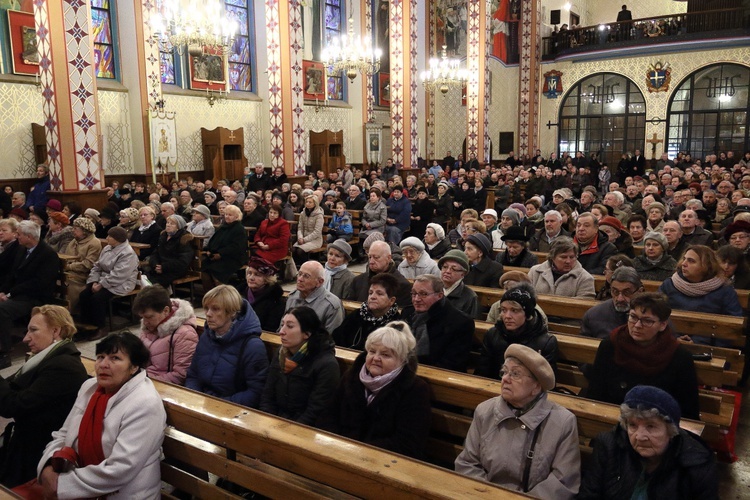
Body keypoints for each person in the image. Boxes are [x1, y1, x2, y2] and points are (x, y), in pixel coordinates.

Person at [37, 332, 166, 499]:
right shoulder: (90, 388)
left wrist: (62, 484)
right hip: (80, 484)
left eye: (115, 358)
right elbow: (63, 434)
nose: (103, 364)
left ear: (134, 367)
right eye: (100, 357)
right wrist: (48, 466)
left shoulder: (145, 403)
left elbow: (121, 468)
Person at [455, 344, 580, 498]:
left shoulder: (563, 422)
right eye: (504, 372)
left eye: (515, 374)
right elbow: (467, 463)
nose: (505, 379)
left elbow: (563, 481)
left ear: (536, 387)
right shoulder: (484, 411)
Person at [0, 306, 87, 488]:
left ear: (56, 331)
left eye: (33, 330)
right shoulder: (44, 358)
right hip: (25, 444)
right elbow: (10, 388)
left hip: (40, 455)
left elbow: (12, 405)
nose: (25, 338)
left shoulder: (64, 366)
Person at [579, 386, 718, 499]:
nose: (640, 437)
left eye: (651, 426)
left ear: (670, 431)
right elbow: (589, 494)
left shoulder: (697, 464)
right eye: (632, 425)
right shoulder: (609, 445)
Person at [317, 322, 432, 459]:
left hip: (382, 461)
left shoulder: (415, 390)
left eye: (385, 355)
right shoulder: (351, 377)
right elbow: (328, 415)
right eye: (372, 351)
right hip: (339, 452)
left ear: (402, 360)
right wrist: (336, 445)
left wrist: (359, 452)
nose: (375, 358)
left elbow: (407, 443)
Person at [586, 292, 700, 420]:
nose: (637, 325)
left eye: (647, 321)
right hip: (612, 418)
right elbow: (595, 393)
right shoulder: (611, 345)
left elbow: (688, 412)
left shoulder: (679, 357)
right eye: (633, 317)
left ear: (662, 325)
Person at [186, 285, 269, 407]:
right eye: (206, 308)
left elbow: (256, 392)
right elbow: (193, 375)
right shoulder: (207, 336)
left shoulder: (252, 346)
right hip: (202, 404)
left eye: (215, 309)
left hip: (233, 409)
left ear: (232, 312)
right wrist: (195, 398)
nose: (208, 314)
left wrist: (218, 405)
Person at [261, 306, 340, 425]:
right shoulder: (281, 353)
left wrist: (289, 430)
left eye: (290, 326)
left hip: (304, 428)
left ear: (307, 334)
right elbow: (267, 394)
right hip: (276, 421)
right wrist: (268, 421)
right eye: (282, 325)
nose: (281, 331)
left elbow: (316, 410)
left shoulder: (326, 364)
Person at [658, 246, 742, 345]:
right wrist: (674, 338)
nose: (684, 264)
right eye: (684, 259)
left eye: (691, 261)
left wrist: (699, 342)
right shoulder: (669, 284)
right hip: (671, 342)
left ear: (706, 266)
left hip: (709, 346)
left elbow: (732, 325)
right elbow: (655, 313)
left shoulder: (724, 290)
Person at [475, 284, 558, 380]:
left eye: (514, 310)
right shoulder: (493, 334)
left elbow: (547, 381)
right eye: (503, 310)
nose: (507, 316)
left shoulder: (545, 342)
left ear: (527, 314)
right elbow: (482, 373)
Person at [402, 274, 475, 372]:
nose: (416, 299)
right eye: (414, 293)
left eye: (423, 294)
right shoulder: (407, 313)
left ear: (439, 295)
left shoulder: (461, 322)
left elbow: (452, 363)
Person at [78, 226, 139, 338]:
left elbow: (119, 274)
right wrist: (94, 281)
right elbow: (97, 266)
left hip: (121, 282)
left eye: (110, 236)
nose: (107, 238)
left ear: (117, 239)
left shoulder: (128, 253)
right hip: (103, 279)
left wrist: (101, 285)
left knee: (97, 298)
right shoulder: (107, 248)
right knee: (84, 294)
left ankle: (100, 327)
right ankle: (86, 326)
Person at [134, 285, 198, 385]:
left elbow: (181, 375)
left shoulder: (185, 334)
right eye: (143, 317)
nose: (145, 322)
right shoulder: (149, 326)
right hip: (143, 379)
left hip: (162, 386)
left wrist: (143, 382)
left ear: (166, 311)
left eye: (149, 317)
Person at [333, 273, 401, 351]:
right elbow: (336, 339)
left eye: (379, 294)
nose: (372, 297)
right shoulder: (356, 315)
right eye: (370, 293)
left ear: (391, 301)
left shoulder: (396, 324)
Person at [581, 267, 644, 339]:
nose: (620, 299)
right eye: (615, 292)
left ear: (640, 291)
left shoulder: (651, 316)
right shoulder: (593, 315)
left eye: (627, 292)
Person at [346, 240, 412, 308]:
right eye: (370, 257)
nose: (371, 261)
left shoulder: (402, 285)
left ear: (388, 258)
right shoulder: (358, 281)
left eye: (376, 257)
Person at [286, 261, 344, 333]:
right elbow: (283, 327)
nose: (300, 279)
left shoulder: (331, 305)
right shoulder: (293, 296)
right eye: (299, 274)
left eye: (306, 276)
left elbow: (330, 339)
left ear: (319, 282)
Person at [528, 236, 595, 298]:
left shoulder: (585, 278)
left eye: (572, 257)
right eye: (563, 257)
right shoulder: (535, 272)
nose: (568, 261)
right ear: (552, 257)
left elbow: (582, 307)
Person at [62, 217, 102, 313]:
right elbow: (66, 256)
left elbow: (88, 265)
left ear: (84, 231)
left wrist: (68, 266)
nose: (73, 230)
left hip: (82, 276)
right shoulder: (74, 241)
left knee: (67, 284)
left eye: (76, 229)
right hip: (68, 271)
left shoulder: (94, 243)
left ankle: (68, 312)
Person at [202, 205, 247, 291]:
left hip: (232, 257)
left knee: (216, 271)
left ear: (236, 216)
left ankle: (221, 293)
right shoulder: (223, 227)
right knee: (204, 268)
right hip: (216, 255)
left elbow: (236, 247)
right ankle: (209, 293)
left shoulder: (239, 229)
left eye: (230, 215)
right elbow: (213, 241)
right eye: (226, 214)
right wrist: (208, 250)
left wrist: (221, 254)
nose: (227, 216)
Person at [146, 214, 194, 288]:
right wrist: (155, 265)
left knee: (152, 284)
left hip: (174, 270)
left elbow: (183, 261)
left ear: (179, 226)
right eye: (167, 223)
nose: (168, 225)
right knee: (143, 279)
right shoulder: (163, 236)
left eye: (172, 224)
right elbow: (155, 254)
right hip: (159, 268)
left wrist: (164, 267)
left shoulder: (184, 239)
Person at [293, 195, 324, 267]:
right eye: (306, 202)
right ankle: (297, 267)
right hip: (303, 239)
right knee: (293, 249)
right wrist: (300, 238)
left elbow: (317, 232)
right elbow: (300, 228)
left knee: (300, 251)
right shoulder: (303, 213)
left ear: (315, 203)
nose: (308, 203)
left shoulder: (319, 215)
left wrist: (305, 240)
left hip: (315, 240)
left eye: (310, 202)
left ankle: (306, 266)